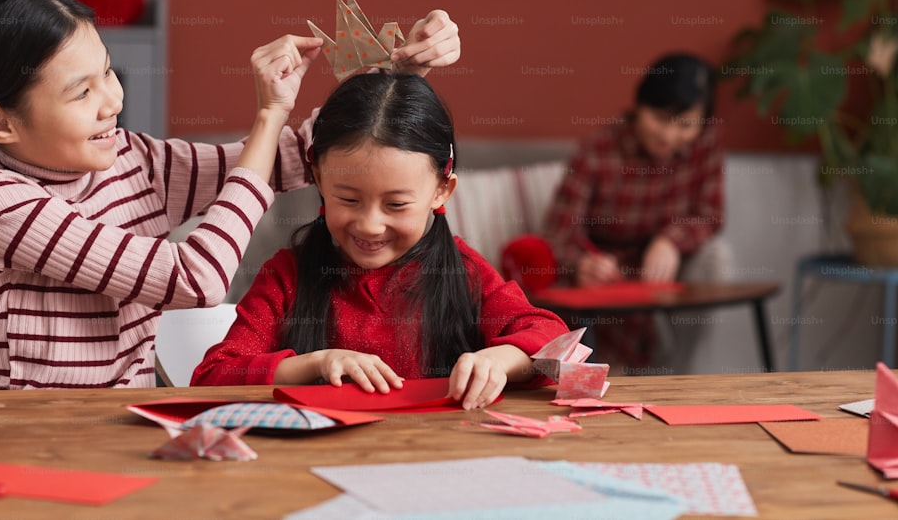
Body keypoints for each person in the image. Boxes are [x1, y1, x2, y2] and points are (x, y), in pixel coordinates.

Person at [0, 0, 461, 390]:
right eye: (81, 92)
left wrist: (398, 73)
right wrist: (268, 112)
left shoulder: (132, 158)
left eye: (108, 74)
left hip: (123, 426)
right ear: (0, 123)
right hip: (27, 435)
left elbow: (287, 160)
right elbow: (197, 279)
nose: (112, 101)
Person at [191, 71, 568, 409]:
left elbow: (553, 341)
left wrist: (497, 360)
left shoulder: (463, 273)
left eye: (396, 204)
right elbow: (213, 376)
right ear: (319, 178)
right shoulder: (287, 275)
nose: (370, 225)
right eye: (349, 200)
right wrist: (315, 363)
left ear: (442, 191)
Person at [540, 53, 725, 370]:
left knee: (717, 257)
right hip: (609, 276)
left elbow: (710, 214)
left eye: (685, 125)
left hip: (667, 270)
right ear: (638, 107)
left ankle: (684, 374)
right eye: (659, 118)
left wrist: (670, 241)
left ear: (702, 123)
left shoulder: (704, 147)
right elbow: (557, 235)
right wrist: (582, 265)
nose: (669, 136)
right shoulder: (596, 151)